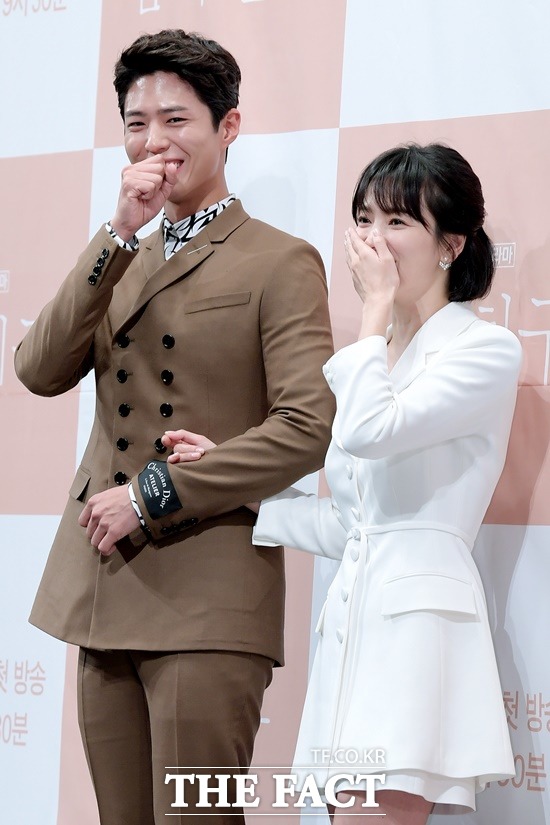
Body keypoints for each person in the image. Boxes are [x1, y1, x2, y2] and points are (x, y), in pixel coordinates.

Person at [14, 29, 335, 825]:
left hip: (208, 589)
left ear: (229, 127)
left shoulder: (279, 260)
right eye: (136, 123)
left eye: (175, 120)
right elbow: (38, 368)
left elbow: (306, 426)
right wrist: (118, 233)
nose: (153, 141)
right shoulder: (121, 255)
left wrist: (151, 494)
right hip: (105, 582)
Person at [170, 144, 521, 824]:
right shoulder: (371, 359)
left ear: (451, 245)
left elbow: (370, 430)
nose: (372, 240)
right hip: (352, 627)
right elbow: (351, 523)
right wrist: (234, 480)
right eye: (364, 219)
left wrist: (374, 312)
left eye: (397, 222)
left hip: (417, 636)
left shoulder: (484, 349)